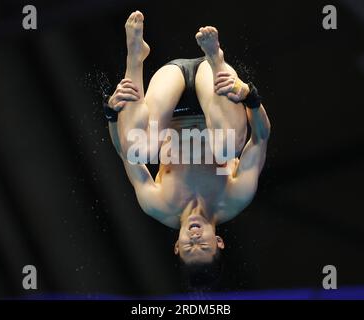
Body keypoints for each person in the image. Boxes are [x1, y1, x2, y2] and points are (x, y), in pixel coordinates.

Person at [103, 10, 271, 289]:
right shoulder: (236, 197)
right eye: (203, 247)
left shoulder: (157, 205)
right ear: (218, 242)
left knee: (137, 150)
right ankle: (217, 58)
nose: (195, 240)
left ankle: (134, 58)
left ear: (177, 248)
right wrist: (249, 95)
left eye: (189, 248)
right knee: (228, 147)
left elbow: (123, 151)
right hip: (215, 90)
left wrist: (111, 112)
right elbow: (260, 138)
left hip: (169, 102)